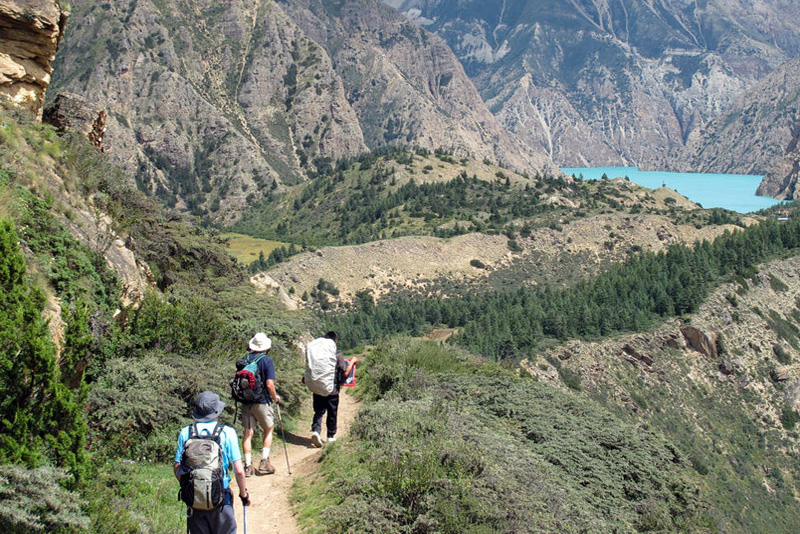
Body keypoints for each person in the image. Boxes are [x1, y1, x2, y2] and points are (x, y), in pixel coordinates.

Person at [174, 391, 250, 534]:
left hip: (195, 502)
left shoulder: (186, 433)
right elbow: (239, 470)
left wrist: (193, 486)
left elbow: (177, 467)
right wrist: (243, 494)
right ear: (217, 411)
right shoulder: (227, 432)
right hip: (221, 500)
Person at [241, 332, 280, 475]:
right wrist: (275, 397)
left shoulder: (244, 359)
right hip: (262, 401)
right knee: (269, 428)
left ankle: (247, 466)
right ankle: (264, 461)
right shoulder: (267, 361)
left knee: (248, 433)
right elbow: (269, 384)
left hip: (246, 401)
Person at [310, 331, 357, 447]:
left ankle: (316, 430)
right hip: (332, 390)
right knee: (332, 412)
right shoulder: (337, 355)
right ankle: (330, 436)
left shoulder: (318, 355)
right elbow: (345, 373)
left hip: (318, 387)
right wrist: (352, 362)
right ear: (335, 341)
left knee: (319, 411)